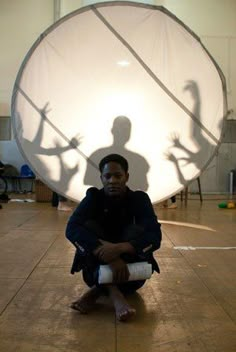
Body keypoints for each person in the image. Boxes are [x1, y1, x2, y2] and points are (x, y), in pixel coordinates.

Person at [66, 154, 162, 321]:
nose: (112, 181)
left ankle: (98, 290)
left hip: (132, 275)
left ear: (126, 177)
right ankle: (116, 296)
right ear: (101, 178)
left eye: (118, 176)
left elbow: (155, 235)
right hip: (94, 271)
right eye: (107, 176)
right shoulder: (93, 198)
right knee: (88, 228)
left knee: (136, 231)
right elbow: (71, 229)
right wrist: (108, 256)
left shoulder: (139, 199)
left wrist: (121, 248)